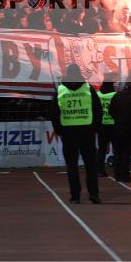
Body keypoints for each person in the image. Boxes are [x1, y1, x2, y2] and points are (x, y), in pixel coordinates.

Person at [51, 64, 103, 204]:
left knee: (72, 166)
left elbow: (54, 113)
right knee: (91, 165)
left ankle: (75, 196)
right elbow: (98, 110)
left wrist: (59, 131)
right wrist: (95, 128)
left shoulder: (60, 90)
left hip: (68, 133)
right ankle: (94, 194)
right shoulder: (88, 89)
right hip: (87, 133)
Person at [96, 79, 117, 177]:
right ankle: (118, 170)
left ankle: (100, 170)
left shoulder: (98, 95)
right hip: (113, 124)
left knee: (102, 149)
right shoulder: (114, 95)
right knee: (117, 149)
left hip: (101, 125)